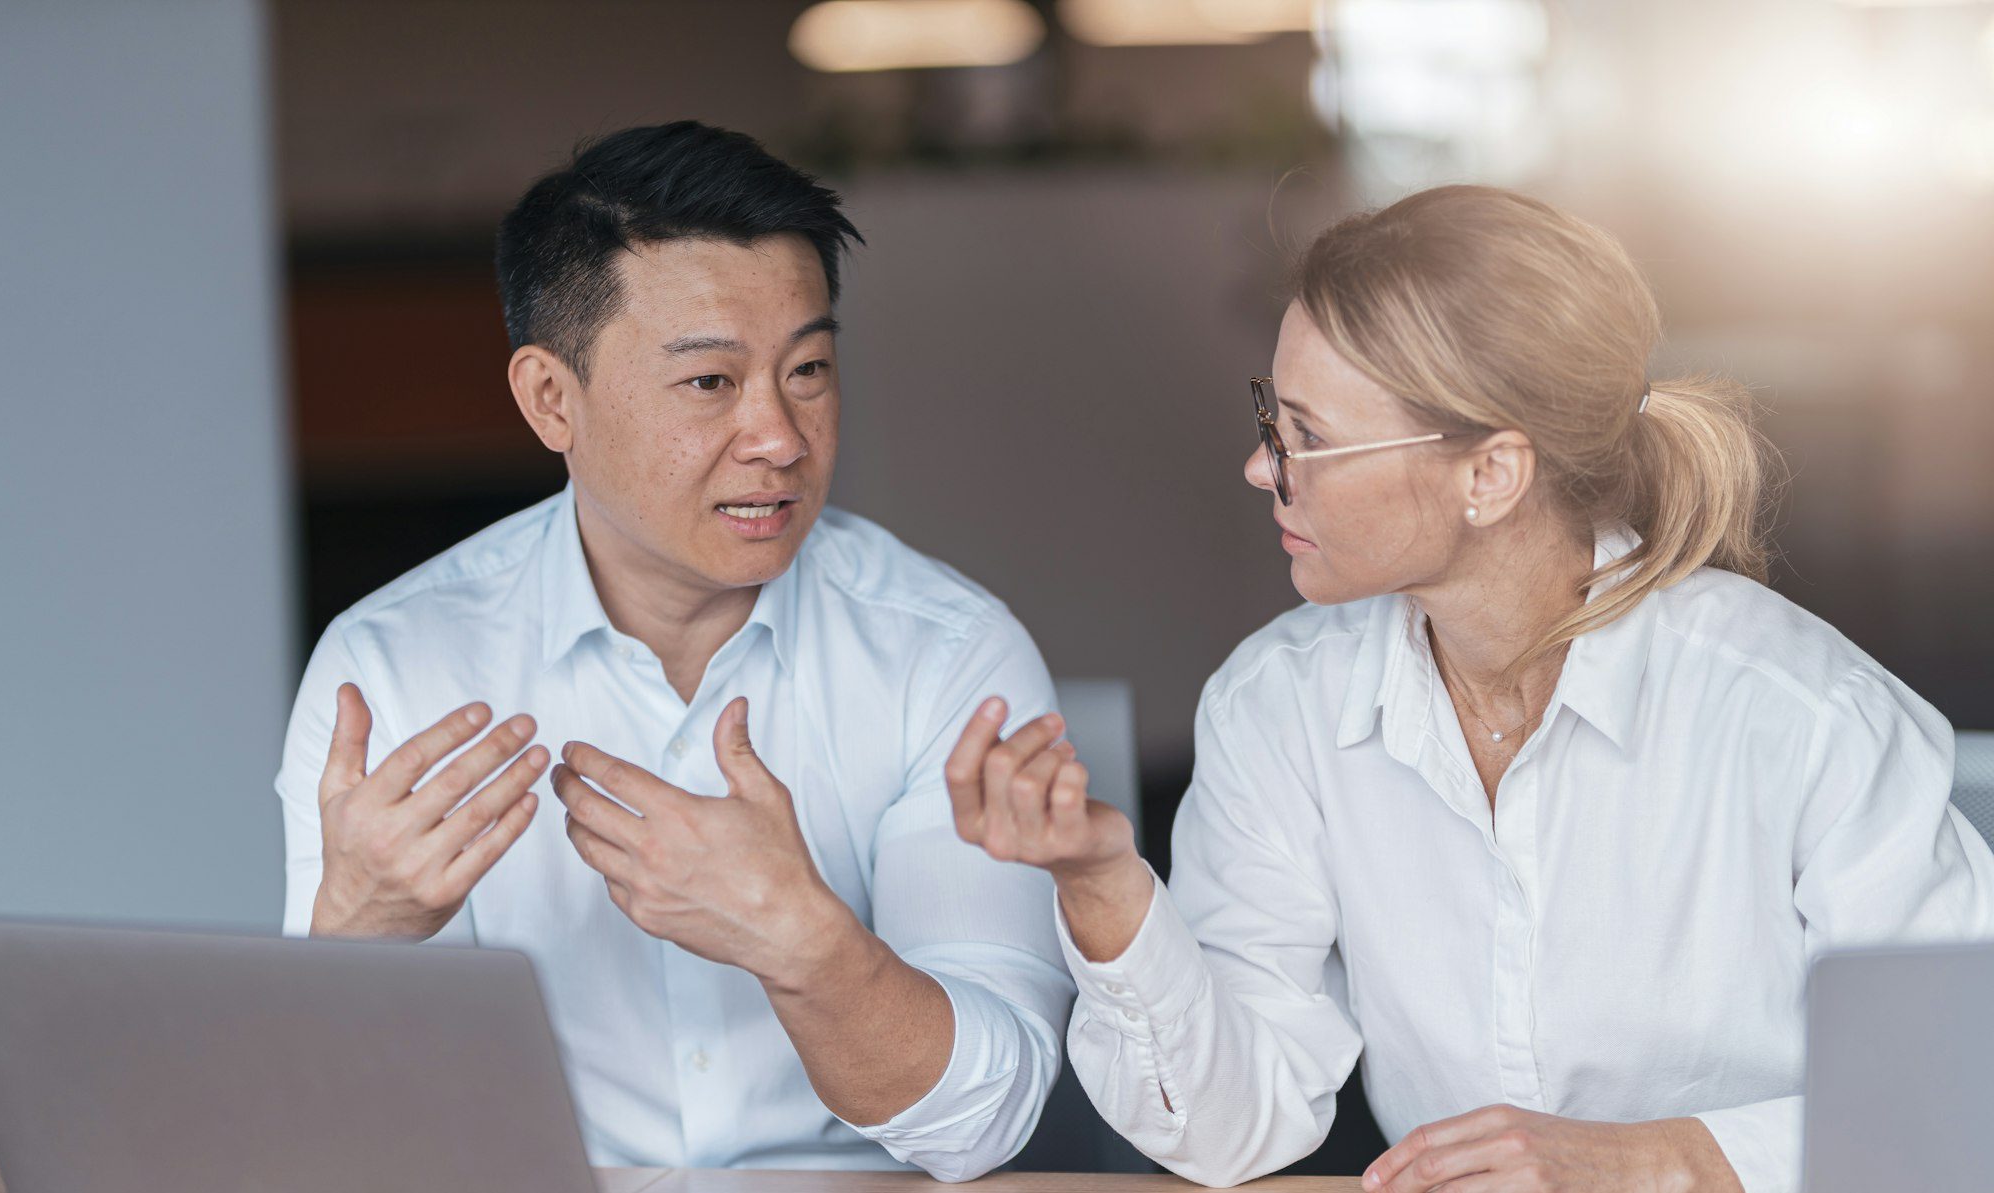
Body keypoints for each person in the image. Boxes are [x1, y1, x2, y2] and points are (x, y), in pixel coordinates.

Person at [942, 184, 1994, 1192]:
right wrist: (1101, 884)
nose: (1262, 469)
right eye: (1274, 417)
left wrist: (1663, 1161)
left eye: (1306, 436)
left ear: (1490, 473)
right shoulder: (1279, 703)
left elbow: (1957, 1092)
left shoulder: (1800, 714)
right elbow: (1231, 1128)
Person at [275, 122, 1073, 1181]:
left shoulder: (947, 656)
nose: (779, 435)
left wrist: (803, 941)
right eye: (710, 383)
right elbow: (317, 1134)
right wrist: (357, 938)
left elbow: (986, 1123)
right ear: (550, 398)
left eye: (808, 369)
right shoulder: (393, 670)